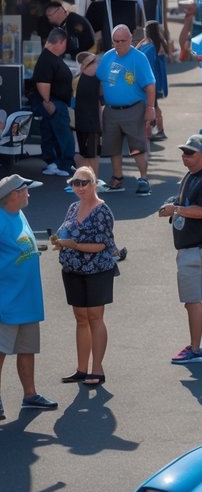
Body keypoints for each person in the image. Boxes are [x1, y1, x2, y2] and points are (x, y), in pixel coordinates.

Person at [158, 134, 202, 365]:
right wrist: (175, 206)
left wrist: (176, 209)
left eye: (190, 153)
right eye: (184, 152)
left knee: (192, 301)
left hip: (196, 248)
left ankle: (195, 350)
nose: (184, 156)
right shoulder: (194, 175)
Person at [51, 166, 120, 387]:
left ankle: (97, 369)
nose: (79, 187)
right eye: (75, 183)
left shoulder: (103, 210)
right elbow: (65, 231)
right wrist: (59, 241)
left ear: (94, 184)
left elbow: (102, 244)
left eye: (84, 182)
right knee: (81, 318)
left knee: (95, 317)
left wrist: (75, 244)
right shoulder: (72, 207)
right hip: (73, 271)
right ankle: (82, 369)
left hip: (97, 271)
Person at [0, 173, 57, 419]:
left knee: (27, 348)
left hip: (28, 299)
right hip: (7, 301)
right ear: (14, 194)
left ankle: (30, 395)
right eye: (26, 189)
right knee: (0, 350)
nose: (29, 193)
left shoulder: (19, 213)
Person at [96, 25, 156, 195]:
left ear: (130, 39)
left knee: (137, 146)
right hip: (111, 110)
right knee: (113, 147)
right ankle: (117, 178)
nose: (119, 44)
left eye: (123, 41)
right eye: (116, 41)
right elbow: (100, 81)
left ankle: (143, 178)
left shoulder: (139, 58)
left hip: (133, 108)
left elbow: (150, 85)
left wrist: (150, 108)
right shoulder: (108, 56)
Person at [33, 26, 75, 177]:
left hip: (55, 102)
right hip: (53, 102)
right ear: (61, 42)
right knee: (63, 135)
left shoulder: (50, 57)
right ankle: (63, 164)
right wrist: (47, 101)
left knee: (53, 134)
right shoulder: (47, 58)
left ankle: (57, 163)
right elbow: (42, 82)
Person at [137, 20, 171, 141]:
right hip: (154, 80)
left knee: (153, 105)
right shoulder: (153, 44)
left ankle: (158, 129)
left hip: (152, 80)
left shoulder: (153, 45)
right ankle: (156, 129)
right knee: (153, 105)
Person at [73, 50, 103, 183]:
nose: (97, 64)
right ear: (85, 65)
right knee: (92, 155)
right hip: (90, 123)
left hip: (83, 122)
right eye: (94, 61)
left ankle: (85, 180)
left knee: (85, 154)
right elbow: (102, 99)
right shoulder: (90, 80)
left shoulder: (78, 79)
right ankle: (93, 181)